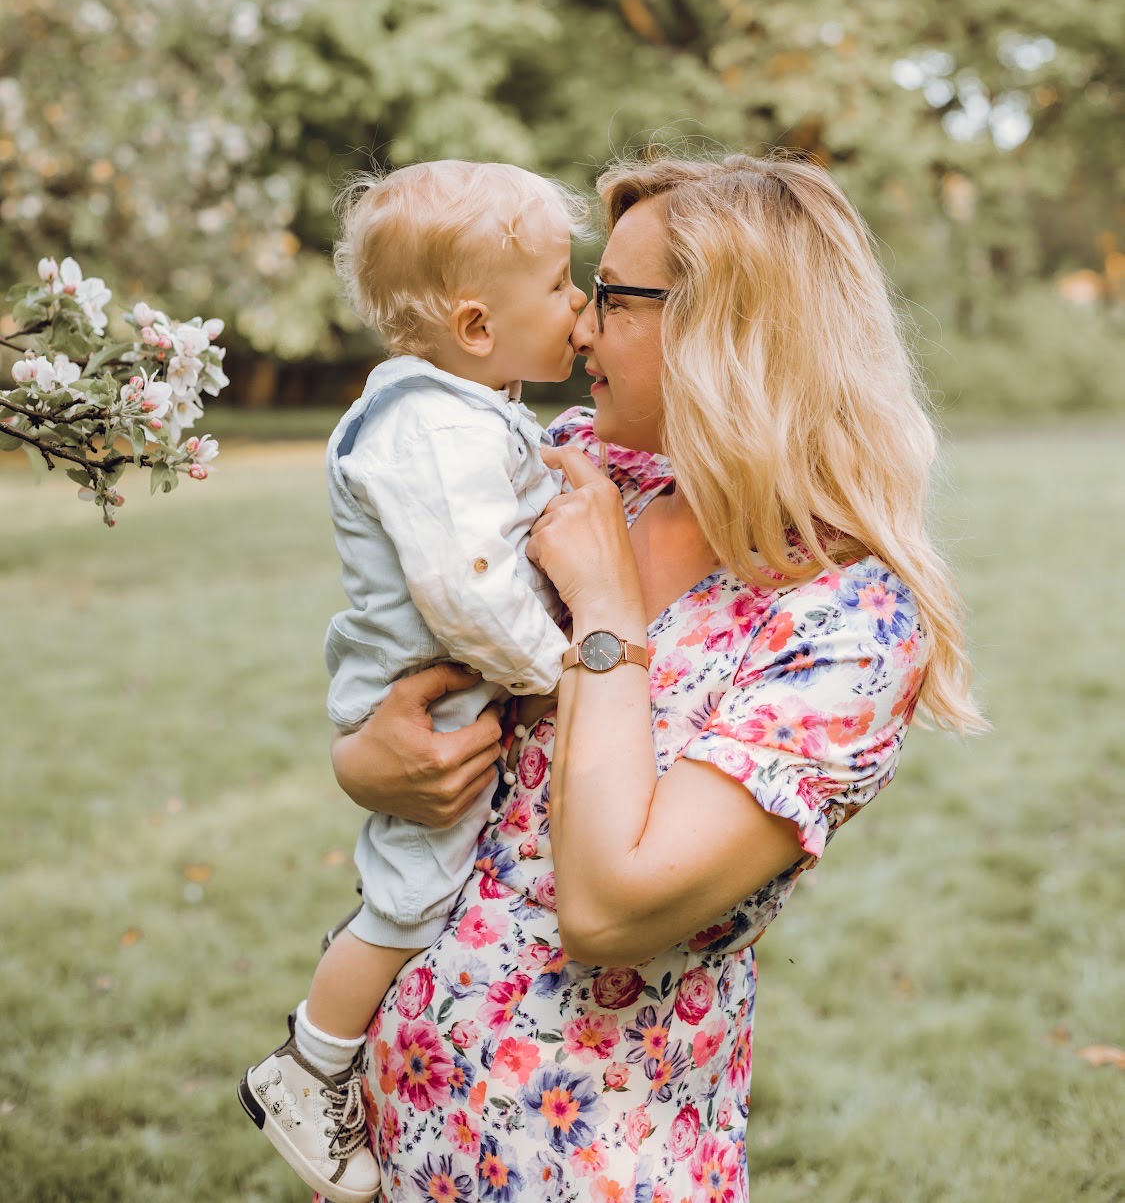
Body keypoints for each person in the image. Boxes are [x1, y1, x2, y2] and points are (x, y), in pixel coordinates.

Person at [327, 150, 986, 1202]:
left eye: (610, 297)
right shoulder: (579, 462)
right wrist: (368, 760)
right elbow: (407, 655)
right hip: (397, 1120)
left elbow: (610, 908)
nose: (581, 329)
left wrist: (605, 607)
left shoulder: (847, 624)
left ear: (723, 329)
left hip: (582, 1160)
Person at [239, 160, 589, 1202]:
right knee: (407, 897)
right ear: (477, 326)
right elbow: (469, 589)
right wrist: (564, 676)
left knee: (415, 884)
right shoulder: (434, 430)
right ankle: (308, 1067)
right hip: (427, 701)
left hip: (437, 690)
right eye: (561, 286)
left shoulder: (465, 407)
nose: (579, 304)